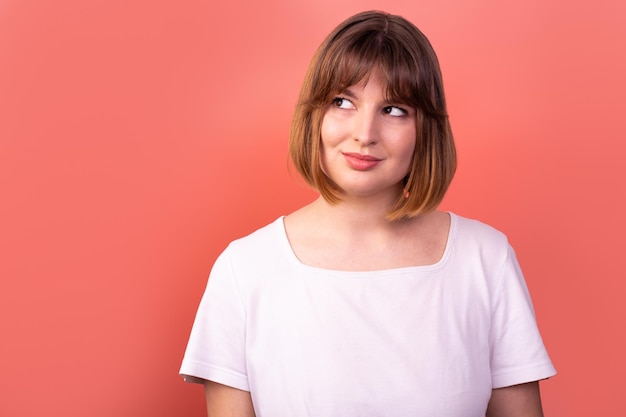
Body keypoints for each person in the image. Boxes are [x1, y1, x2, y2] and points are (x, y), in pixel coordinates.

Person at [180, 10, 556, 417]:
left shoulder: (485, 259)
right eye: (342, 102)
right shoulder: (245, 269)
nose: (364, 133)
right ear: (314, 117)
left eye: (394, 110)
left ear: (426, 129)